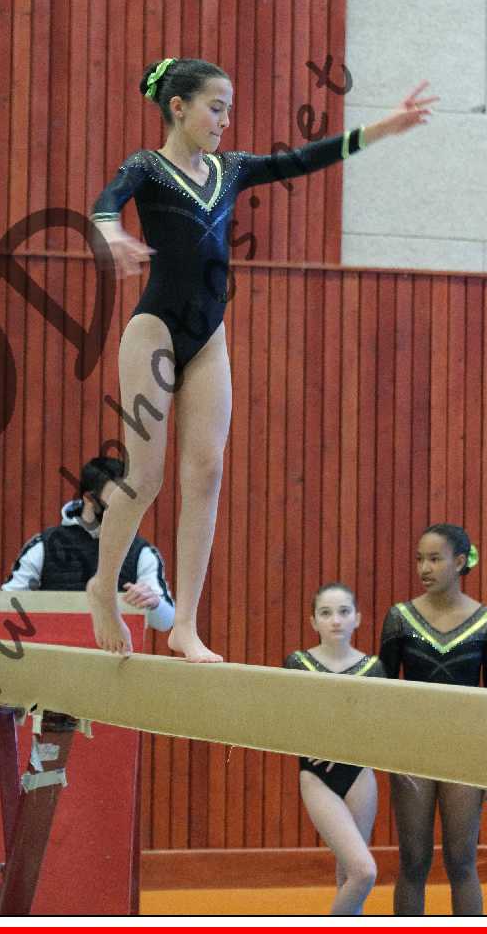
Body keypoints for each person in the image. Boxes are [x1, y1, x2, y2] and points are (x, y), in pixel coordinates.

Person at [87, 57, 438, 659]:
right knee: (145, 477)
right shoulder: (147, 165)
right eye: (215, 108)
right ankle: (102, 586)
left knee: (207, 472)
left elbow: (299, 160)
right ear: (179, 107)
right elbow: (108, 199)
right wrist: (109, 230)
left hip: (208, 336)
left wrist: (383, 127)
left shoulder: (231, 169)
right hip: (154, 330)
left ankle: (185, 625)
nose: (225, 121)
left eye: (228, 110)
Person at [379, 524, 487, 915]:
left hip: (464, 753)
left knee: (461, 861)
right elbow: (380, 694)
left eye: (435, 559)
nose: (424, 568)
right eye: (420, 559)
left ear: (460, 561)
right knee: (413, 860)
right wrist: (378, 752)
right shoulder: (400, 618)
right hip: (411, 752)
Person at [0, 456, 174, 634]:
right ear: (89, 498)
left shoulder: (142, 552)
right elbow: (7, 603)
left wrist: (153, 603)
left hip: (114, 664)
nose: (123, 509)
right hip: (51, 661)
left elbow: (166, 622)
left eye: (127, 502)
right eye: (115, 501)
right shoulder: (43, 546)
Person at [284, 583, 386, 915]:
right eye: (326, 613)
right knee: (364, 872)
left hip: (359, 775)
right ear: (313, 621)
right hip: (316, 776)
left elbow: (383, 727)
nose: (336, 620)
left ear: (358, 618)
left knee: (348, 874)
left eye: (344, 612)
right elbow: (282, 721)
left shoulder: (373, 668)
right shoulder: (298, 663)